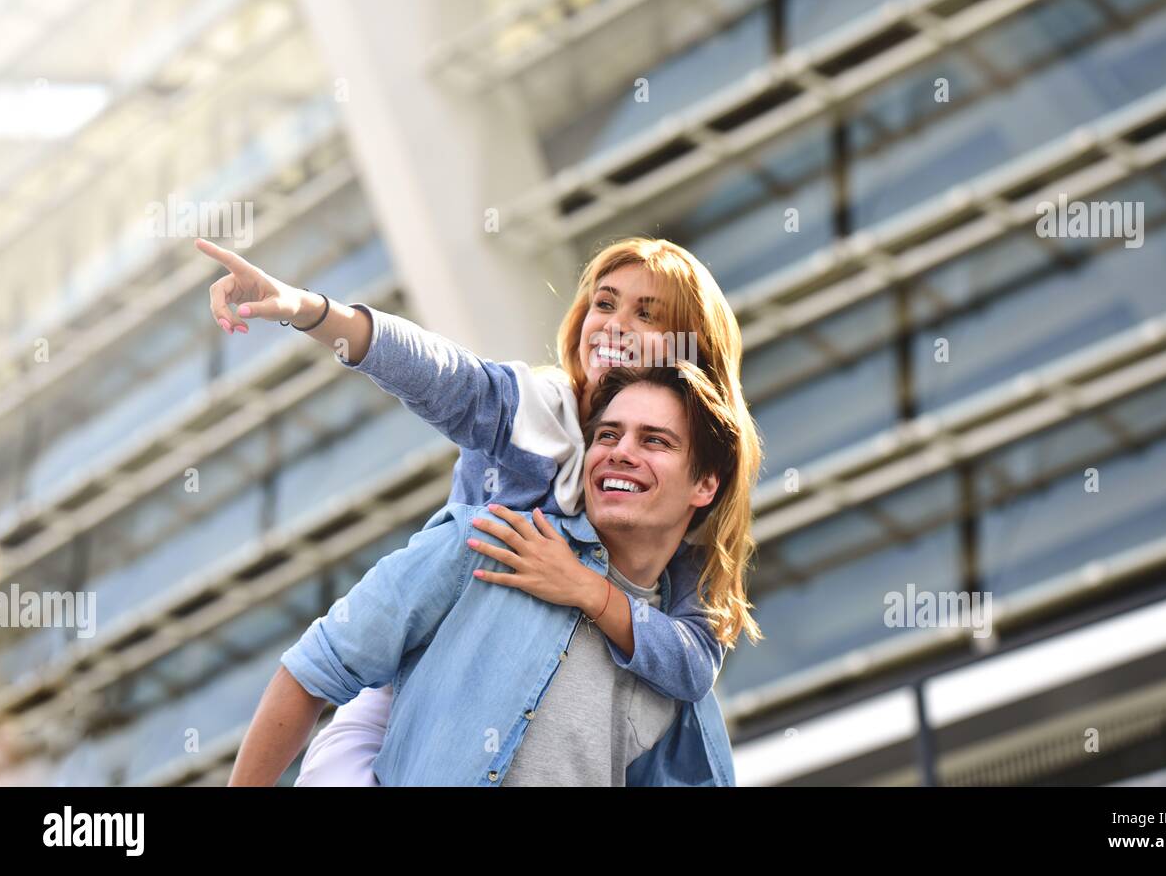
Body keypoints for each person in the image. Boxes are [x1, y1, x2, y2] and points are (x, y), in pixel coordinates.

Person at [196, 235, 763, 784]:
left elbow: (692, 662)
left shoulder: (677, 561)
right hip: (408, 669)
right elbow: (440, 373)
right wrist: (306, 309)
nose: (614, 324)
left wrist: (587, 590)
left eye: (647, 314)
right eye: (604, 303)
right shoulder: (538, 410)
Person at [229, 364, 747, 785]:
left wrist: (593, 594)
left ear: (704, 484)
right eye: (608, 434)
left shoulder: (676, 669)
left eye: (654, 441)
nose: (620, 452)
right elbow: (313, 668)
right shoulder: (490, 541)